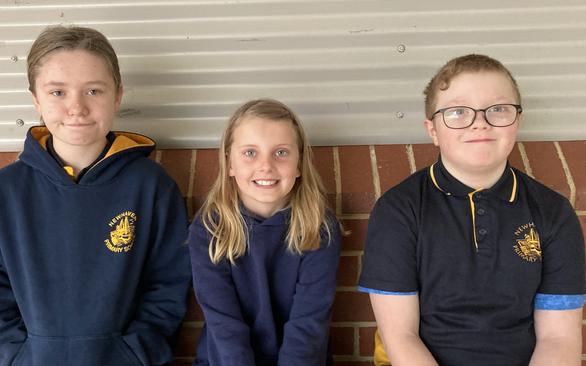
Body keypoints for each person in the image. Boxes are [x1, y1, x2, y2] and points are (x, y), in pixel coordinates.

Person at [0, 25, 191, 366]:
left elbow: (170, 281)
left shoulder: (151, 186)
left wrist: (136, 351)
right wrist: (18, 354)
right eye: (57, 93)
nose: (76, 107)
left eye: (93, 90)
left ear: (118, 95)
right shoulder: (3, 192)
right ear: (35, 98)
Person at [358, 54, 585, 366]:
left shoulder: (554, 214)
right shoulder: (399, 210)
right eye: (458, 112)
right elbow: (400, 337)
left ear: (518, 120)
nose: (480, 122)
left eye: (498, 109)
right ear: (432, 129)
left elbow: (558, 339)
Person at [188, 99, 342, 365]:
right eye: (250, 152)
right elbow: (225, 325)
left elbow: (308, 325)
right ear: (230, 163)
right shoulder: (209, 229)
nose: (266, 165)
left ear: (299, 163)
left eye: (281, 152)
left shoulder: (318, 227)